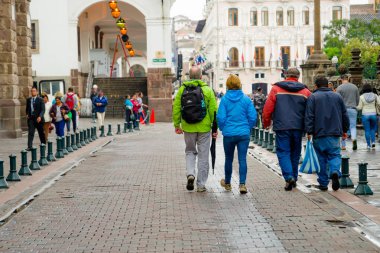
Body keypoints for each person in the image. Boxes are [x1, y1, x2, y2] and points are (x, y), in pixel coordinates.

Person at [262, 68, 311, 191]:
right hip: (298, 127)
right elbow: (310, 112)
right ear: (298, 77)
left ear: (285, 76)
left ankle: (289, 176)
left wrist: (266, 123)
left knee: (283, 152)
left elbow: (268, 108)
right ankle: (294, 177)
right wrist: (309, 128)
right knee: (295, 152)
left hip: (282, 126)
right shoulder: (305, 92)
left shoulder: (276, 89)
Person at [173, 66, 217, 192]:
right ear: (201, 76)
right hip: (204, 127)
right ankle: (201, 185)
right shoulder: (207, 90)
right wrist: (215, 128)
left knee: (190, 151)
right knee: (203, 155)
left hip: (188, 126)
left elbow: (176, 108)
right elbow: (213, 111)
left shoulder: (182, 90)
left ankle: (190, 173)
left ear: (189, 77)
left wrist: (177, 125)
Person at [305, 76, 349, 191]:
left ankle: (323, 183)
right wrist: (345, 130)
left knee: (321, 158)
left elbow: (309, 116)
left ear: (316, 86)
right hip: (334, 132)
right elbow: (345, 114)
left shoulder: (313, 97)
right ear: (328, 85)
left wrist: (309, 131)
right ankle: (334, 171)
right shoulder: (337, 96)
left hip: (318, 132)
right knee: (334, 154)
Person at [217, 74, 257, 194]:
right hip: (243, 134)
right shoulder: (245, 99)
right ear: (239, 84)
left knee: (228, 159)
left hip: (229, 134)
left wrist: (223, 128)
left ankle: (228, 183)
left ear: (228, 85)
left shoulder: (224, 100)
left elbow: (221, 117)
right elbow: (253, 116)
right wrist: (247, 128)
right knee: (242, 159)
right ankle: (242, 184)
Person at [336, 74, 359, 151]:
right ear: (348, 79)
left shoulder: (339, 88)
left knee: (343, 127)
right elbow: (357, 100)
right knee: (353, 126)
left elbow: (337, 100)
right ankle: (354, 138)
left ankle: (343, 145)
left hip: (343, 110)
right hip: (353, 109)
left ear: (341, 80)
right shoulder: (355, 87)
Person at [357, 84, 380, 150]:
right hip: (373, 114)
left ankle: (368, 145)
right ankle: (373, 142)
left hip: (365, 115)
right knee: (373, 129)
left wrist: (355, 107)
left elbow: (359, 107)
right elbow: (379, 103)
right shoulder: (375, 96)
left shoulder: (361, 97)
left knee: (367, 130)